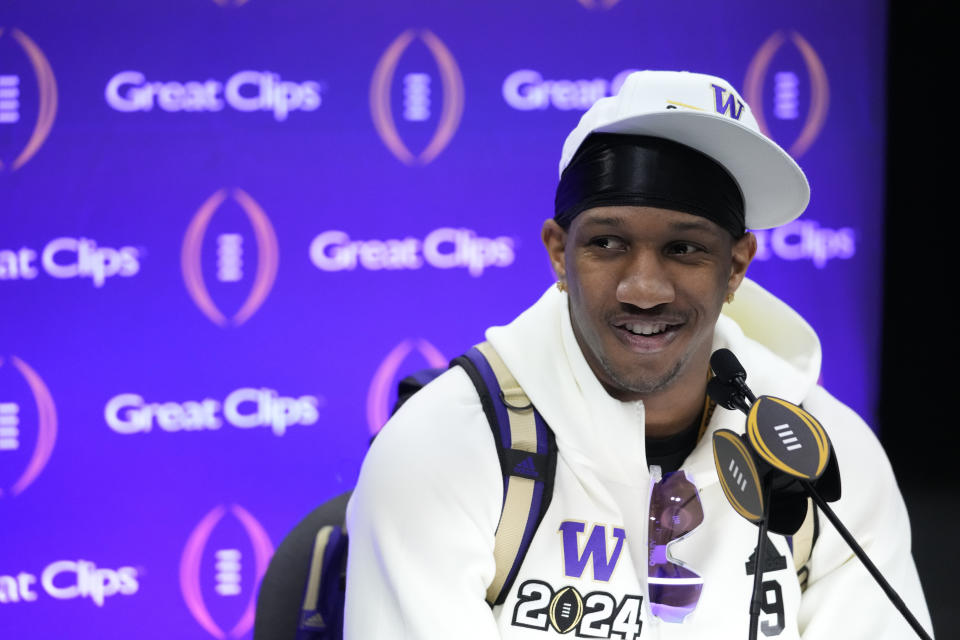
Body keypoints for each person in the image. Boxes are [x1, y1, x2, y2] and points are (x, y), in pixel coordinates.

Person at [343, 70, 933, 639]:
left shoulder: (822, 453)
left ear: (735, 267)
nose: (644, 289)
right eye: (607, 243)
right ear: (558, 255)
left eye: (684, 248)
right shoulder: (441, 445)